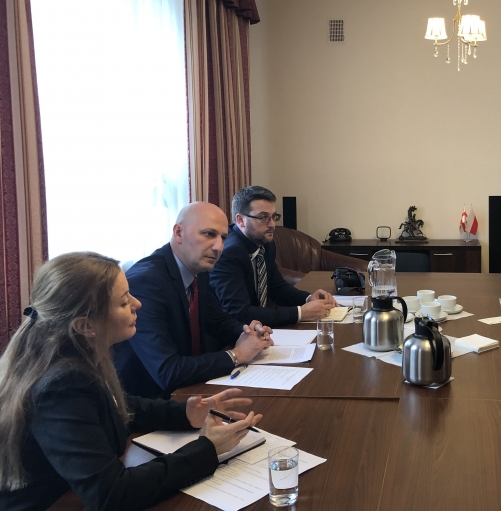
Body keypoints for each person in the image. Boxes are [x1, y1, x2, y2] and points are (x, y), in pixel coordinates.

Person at [0, 252, 263, 511]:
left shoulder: (76, 354)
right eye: (124, 302)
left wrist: (185, 413)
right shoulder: (61, 385)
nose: (138, 304)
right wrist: (208, 449)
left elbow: (117, 404)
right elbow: (111, 494)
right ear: (86, 326)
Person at [114, 202, 274, 398]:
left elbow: (217, 319)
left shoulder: (197, 265)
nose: (218, 247)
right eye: (208, 234)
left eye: (223, 238)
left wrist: (248, 332)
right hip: (154, 401)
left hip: (194, 387)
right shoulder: (146, 282)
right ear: (178, 233)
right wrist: (237, 355)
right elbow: (168, 371)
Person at [209, 185, 335, 327]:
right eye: (263, 217)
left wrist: (308, 298)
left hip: (260, 328)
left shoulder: (265, 243)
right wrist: (301, 313)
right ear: (240, 220)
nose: (272, 225)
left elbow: (277, 287)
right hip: (233, 334)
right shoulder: (228, 253)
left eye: (273, 216)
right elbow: (239, 313)